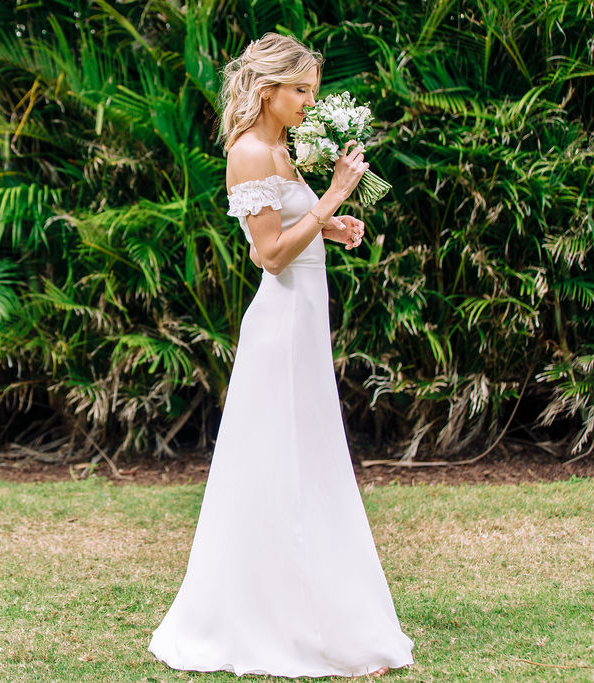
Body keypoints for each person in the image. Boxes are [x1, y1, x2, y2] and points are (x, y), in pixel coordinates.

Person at [147, 33, 414, 678]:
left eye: (313, 91)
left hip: (303, 320)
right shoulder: (250, 151)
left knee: (310, 460)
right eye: (300, 90)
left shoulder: (283, 148)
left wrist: (329, 226)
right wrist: (335, 197)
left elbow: (285, 232)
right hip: (281, 323)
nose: (308, 102)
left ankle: (322, 617)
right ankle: (269, 624)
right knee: (278, 461)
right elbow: (266, 254)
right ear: (267, 90)